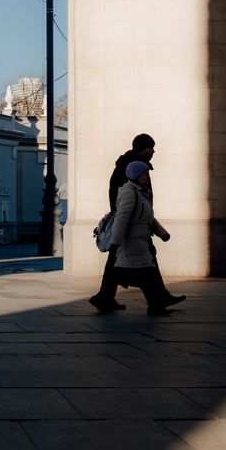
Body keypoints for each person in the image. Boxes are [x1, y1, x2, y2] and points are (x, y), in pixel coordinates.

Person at [89, 133, 185, 312]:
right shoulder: (132, 171)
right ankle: (156, 299)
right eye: (151, 148)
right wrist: (118, 236)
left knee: (131, 262)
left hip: (136, 226)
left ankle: (106, 296)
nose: (154, 151)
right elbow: (124, 209)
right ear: (143, 148)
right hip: (132, 228)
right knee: (142, 264)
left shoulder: (130, 166)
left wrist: (157, 229)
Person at [108, 161, 175, 315]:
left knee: (145, 275)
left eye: (148, 174)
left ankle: (154, 305)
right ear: (135, 175)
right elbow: (121, 218)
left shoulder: (142, 192)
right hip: (132, 243)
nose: (147, 177)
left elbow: (149, 218)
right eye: (145, 174)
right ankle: (155, 306)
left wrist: (162, 233)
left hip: (141, 242)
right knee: (147, 276)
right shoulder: (129, 193)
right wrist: (115, 242)